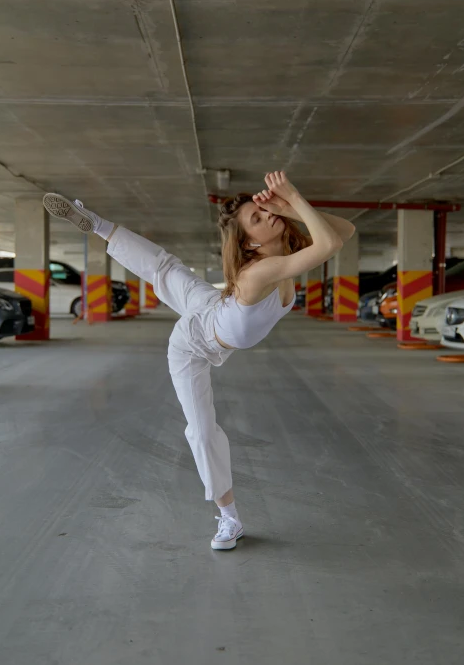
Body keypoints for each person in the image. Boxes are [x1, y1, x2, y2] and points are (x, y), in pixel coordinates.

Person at [43, 171, 355, 550]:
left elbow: (345, 231)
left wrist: (288, 208)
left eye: (262, 210)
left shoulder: (286, 251)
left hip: (212, 305)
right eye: (257, 219)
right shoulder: (261, 271)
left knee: (166, 268)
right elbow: (330, 244)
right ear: (249, 243)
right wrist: (293, 198)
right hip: (193, 342)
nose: (267, 216)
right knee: (203, 430)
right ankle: (229, 519)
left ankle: (98, 224)